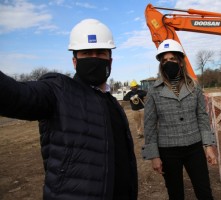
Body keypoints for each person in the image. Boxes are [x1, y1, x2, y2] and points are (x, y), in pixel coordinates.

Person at [0, 19, 138, 200]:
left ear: (110, 60)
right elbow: (17, 96)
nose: (94, 58)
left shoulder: (112, 102)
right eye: (87, 53)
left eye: (100, 53)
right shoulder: (58, 91)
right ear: (74, 61)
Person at [141, 39, 218, 200]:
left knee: (204, 191)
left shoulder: (194, 86)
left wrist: (208, 146)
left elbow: (202, 117)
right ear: (161, 65)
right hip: (168, 151)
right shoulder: (154, 91)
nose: (169, 63)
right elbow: (149, 125)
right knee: (175, 193)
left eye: (172, 59)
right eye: (165, 61)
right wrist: (154, 156)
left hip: (194, 148)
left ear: (180, 62)